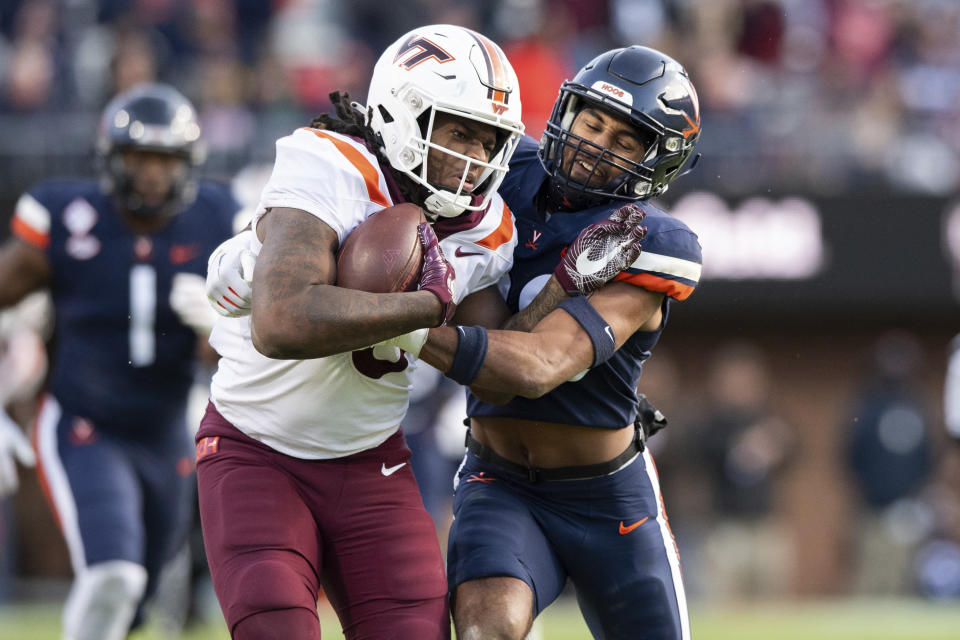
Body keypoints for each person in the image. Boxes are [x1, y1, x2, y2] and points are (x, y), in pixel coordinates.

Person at [210, 45, 702, 639]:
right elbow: (404, 144)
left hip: (606, 491)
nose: (596, 148)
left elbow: (536, 361)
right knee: (481, 632)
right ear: (565, 112)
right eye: (591, 123)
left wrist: (410, 318)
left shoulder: (649, 237)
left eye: (625, 142)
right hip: (499, 478)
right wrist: (264, 238)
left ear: (659, 161)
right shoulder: (502, 168)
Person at [0, 83, 238, 640]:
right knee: (114, 576)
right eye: (139, 159)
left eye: (165, 160)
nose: (152, 175)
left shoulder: (216, 220)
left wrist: (218, 325)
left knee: (137, 603)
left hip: (165, 432)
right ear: (112, 161)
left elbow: (248, 343)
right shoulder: (68, 215)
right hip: (86, 424)